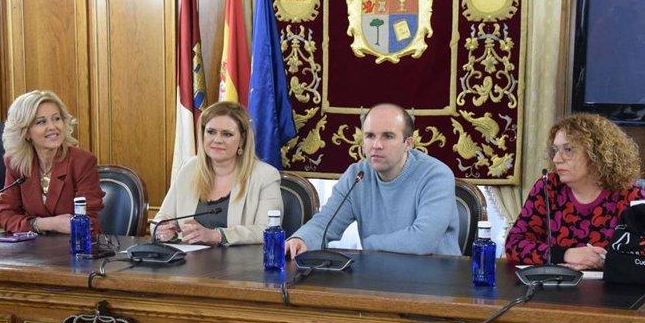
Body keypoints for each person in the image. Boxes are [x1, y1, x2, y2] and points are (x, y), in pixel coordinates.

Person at [285, 103, 460, 258]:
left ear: (408, 143)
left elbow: (422, 240)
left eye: (388, 136)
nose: (376, 145)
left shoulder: (436, 175)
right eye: (369, 136)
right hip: (378, 276)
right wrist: (301, 239)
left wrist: (369, 244)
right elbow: (325, 223)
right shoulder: (357, 175)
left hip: (434, 281)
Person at [505, 113, 644, 270]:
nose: (557, 159)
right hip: (551, 290)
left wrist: (603, 262)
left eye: (568, 149)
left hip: (611, 292)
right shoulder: (548, 187)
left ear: (597, 155)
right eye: (555, 150)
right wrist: (566, 254)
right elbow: (514, 244)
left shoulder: (629, 195)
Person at [152, 101, 281, 245]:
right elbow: (162, 217)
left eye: (227, 134)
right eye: (211, 132)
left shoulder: (265, 176)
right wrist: (161, 229)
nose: (217, 140)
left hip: (238, 264)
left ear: (242, 140)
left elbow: (267, 230)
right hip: (188, 263)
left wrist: (217, 235)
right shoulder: (189, 168)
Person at [0, 90, 104, 234]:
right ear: (26, 132)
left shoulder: (82, 162)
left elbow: (88, 223)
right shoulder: (16, 163)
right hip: (30, 252)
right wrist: (47, 223)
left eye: (56, 119)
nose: (53, 127)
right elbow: (7, 216)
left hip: (72, 249)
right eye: (41, 122)